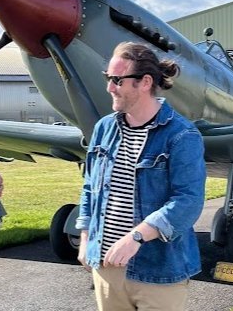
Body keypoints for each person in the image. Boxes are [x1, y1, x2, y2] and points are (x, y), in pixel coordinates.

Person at [76, 42, 206, 311]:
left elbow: (188, 201)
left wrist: (135, 237)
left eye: (116, 80)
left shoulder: (182, 135)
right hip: (106, 267)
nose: (109, 87)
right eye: (108, 79)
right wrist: (87, 239)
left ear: (145, 82)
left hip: (158, 273)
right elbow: (90, 188)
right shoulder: (103, 129)